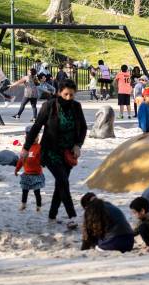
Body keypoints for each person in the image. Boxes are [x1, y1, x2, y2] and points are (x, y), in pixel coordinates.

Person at [22, 80, 86, 229]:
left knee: (60, 184)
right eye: (66, 94)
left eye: (72, 94)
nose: (69, 97)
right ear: (59, 93)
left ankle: (52, 216)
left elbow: (82, 128)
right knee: (63, 181)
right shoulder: (49, 106)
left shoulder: (77, 107)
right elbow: (36, 127)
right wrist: (26, 148)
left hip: (69, 152)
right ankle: (72, 216)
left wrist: (78, 145)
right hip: (50, 151)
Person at [15, 131, 45, 212]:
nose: (35, 139)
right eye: (32, 137)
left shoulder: (39, 147)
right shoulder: (25, 147)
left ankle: (38, 206)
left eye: (36, 137)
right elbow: (21, 160)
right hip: (27, 173)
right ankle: (23, 204)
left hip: (36, 174)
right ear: (27, 138)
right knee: (24, 190)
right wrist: (17, 169)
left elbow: (43, 158)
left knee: (37, 192)